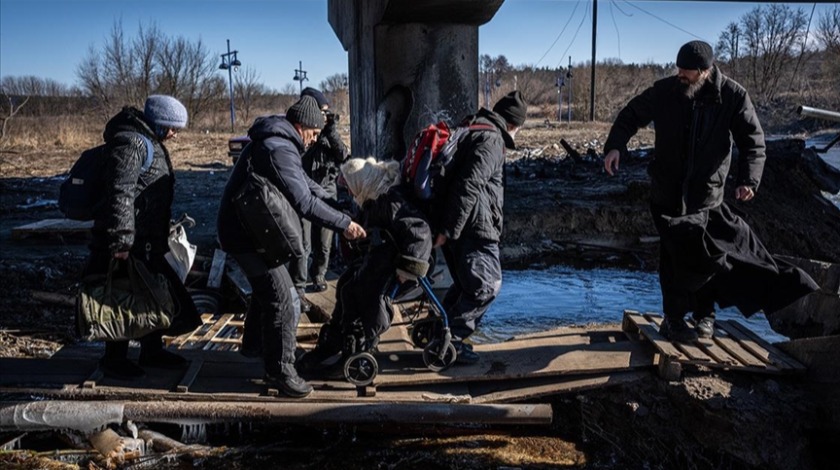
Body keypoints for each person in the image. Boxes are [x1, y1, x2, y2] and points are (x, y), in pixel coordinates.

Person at [603, 40, 818, 343]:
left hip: (706, 196)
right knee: (672, 258)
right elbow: (631, 115)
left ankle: (705, 316)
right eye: (678, 70)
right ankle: (675, 320)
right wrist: (615, 146)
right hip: (667, 192)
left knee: (707, 258)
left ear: (705, 72)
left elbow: (753, 142)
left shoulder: (732, 96)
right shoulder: (665, 91)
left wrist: (748, 180)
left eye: (687, 73)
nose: (681, 76)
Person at [217, 95, 366, 398]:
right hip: (244, 237)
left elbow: (305, 185)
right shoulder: (278, 147)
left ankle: (255, 348)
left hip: (247, 230)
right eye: (313, 133)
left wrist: (337, 205)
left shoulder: (280, 143)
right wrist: (344, 225)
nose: (314, 140)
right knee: (283, 298)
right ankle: (280, 373)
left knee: (267, 292)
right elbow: (303, 202)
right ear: (302, 126)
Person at [84, 95, 202, 380]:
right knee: (121, 299)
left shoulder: (147, 141)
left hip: (147, 241)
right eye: (171, 127)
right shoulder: (132, 143)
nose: (174, 133)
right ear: (158, 122)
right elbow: (120, 191)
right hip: (127, 242)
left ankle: (152, 350)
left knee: (154, 296)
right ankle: (114, 360)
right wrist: (121, 240)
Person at [297, 157, 432, 372]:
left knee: (361, 295)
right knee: (345, 285)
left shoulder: (392, 201)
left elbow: (420, 233)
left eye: (351, 188)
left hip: (396, 266)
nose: (350, 194)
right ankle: (334, 342)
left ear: (362, 183)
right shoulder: (372, 198)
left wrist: (409, 269)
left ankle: (359, 346)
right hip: (379, 259)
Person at [433, 90, 527, 364]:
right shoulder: (491, 140)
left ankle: (440, 333)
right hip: (475, 229)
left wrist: (449, 228)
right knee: (486, 287)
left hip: (464, 226)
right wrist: (450, 229)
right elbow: (469, 184)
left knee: (466, 284)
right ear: (512, 124)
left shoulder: (474, 128)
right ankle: (451, 342)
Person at [288, 87, 349, 313]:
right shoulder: (302, 131)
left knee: (323, 243)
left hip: (326, 189)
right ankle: (299, 285)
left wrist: (330, 130)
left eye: (326, 112)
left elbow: (343, 155)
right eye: (322, 112)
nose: (325, 115)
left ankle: (319, 275)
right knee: (302, 244)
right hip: (304, 189)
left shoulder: (327, 133)